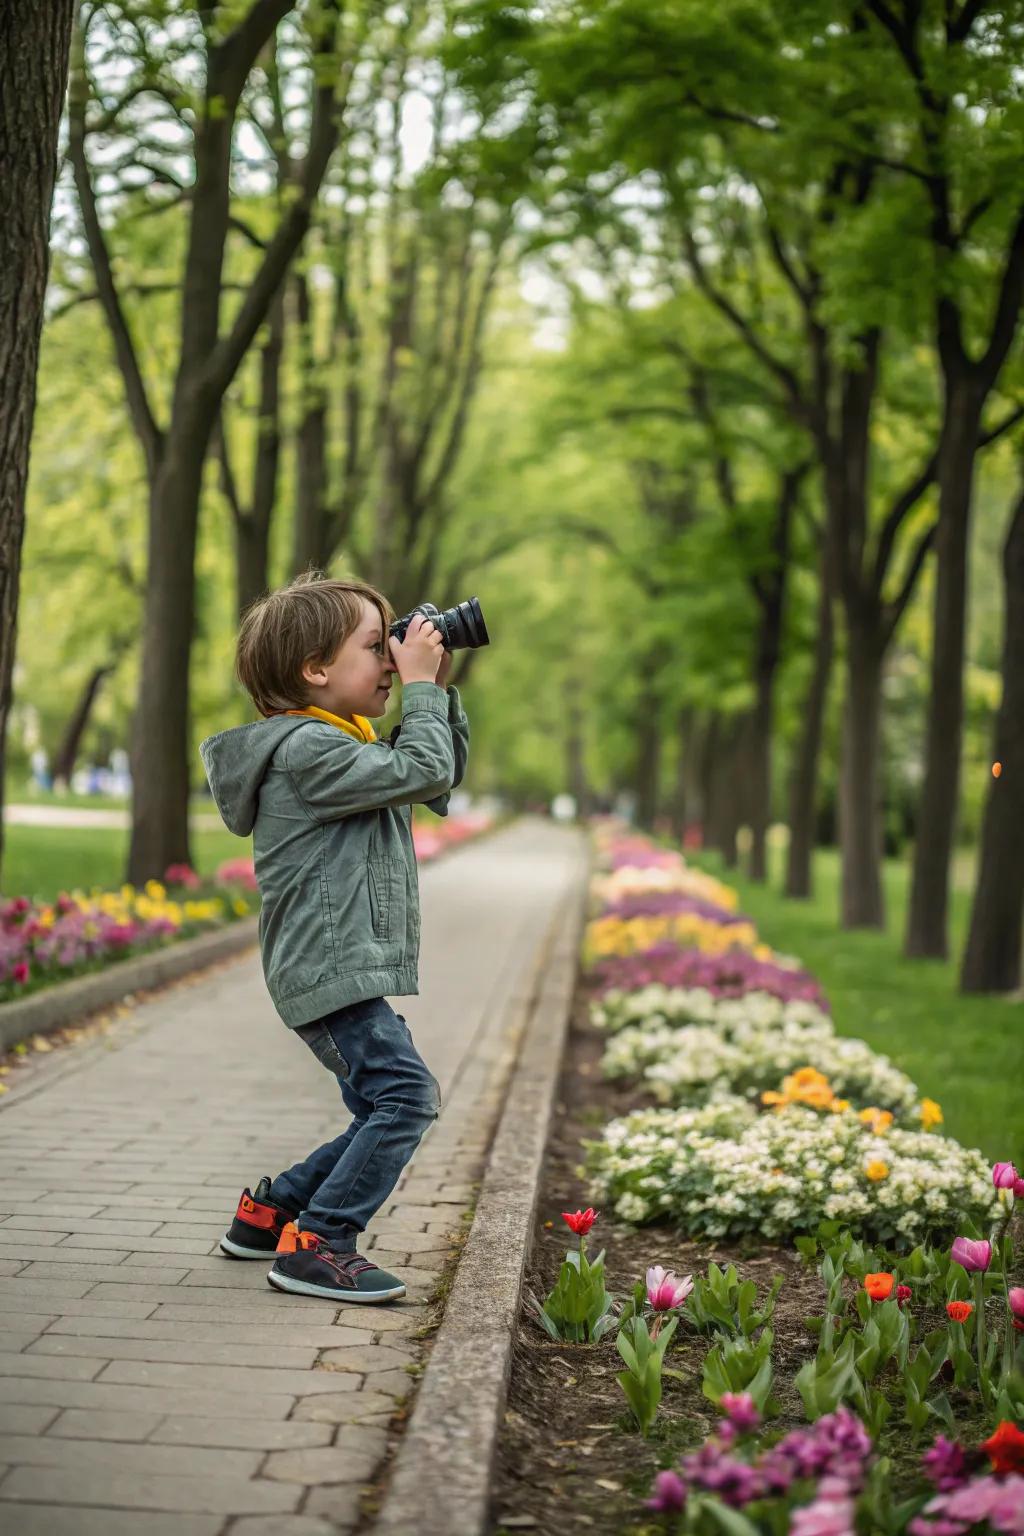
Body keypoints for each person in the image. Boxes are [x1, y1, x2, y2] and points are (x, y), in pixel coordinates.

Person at [200, 572, 469, 1303]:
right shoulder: (306, 753)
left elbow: (436, 780)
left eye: (394, 647)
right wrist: (420, 689)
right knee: (405, 1099)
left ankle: (271, 1212)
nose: (391, 660)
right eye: (376, 647)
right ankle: (319, 1244)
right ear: (315, 670)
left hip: (335, 966)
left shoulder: (341, 742)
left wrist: (438, 683)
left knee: (378, 1103)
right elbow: (424, 766)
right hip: (327, 967)